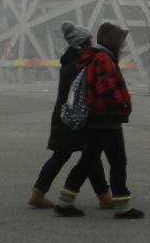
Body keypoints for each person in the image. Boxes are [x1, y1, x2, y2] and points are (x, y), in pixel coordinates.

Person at [54, 21, 144, 219]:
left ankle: (64, 202)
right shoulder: (103, 59)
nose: (122, 46)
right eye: (120, 42)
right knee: (118, 161)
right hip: (107, 118)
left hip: (96, 118)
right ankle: (122, 206)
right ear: (112, 41)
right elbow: (107, 88)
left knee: (88, 160)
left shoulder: (95, 57)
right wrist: (123, 106)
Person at [27, 22, 113, 210]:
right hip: (75, 119)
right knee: (89, 156)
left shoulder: (71, 61)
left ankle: (38, 193)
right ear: (84, 43)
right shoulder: (79, 64)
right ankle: (104, 196)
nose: (92, 43)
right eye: (90, 40)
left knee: (64, 156)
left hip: (64, 117)